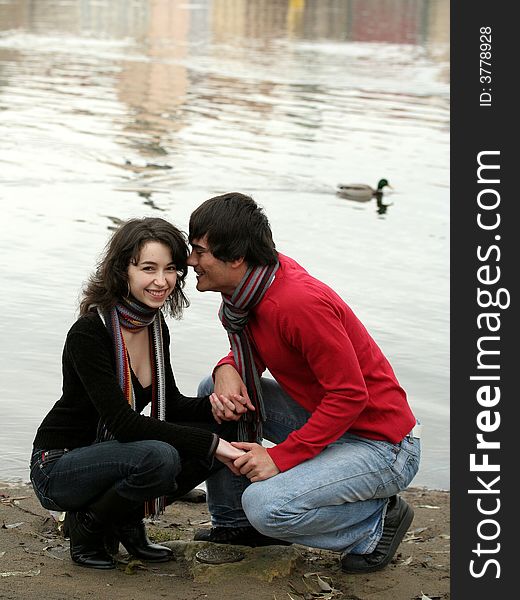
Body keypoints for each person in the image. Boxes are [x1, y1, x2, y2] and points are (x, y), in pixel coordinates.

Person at [186, 192, 421, 573]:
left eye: (199, 251)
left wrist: (279, 457)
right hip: (336, 422)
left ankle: (376, 524)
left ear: (237, 258)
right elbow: (255, 352)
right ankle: (235, 527)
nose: (191, 261)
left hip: (384, 445)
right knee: (213, 393)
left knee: (266, 505)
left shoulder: (298, 303)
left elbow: (349, 395)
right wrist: (225, 367)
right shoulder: (252, 290)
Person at [29, 217, 244, 570]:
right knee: (159, 457)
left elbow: (171, 405)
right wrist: (211, 445)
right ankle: (86, 525)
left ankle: (125, 520)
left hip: (112, 458)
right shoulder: (90, 332)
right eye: (148, 268)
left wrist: (222, 407)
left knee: (222, 430)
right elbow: (124, 424)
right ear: (123, 270)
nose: (162, 281)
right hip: (59, 466)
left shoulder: (155, 328)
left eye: (170, 269)